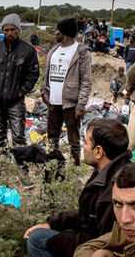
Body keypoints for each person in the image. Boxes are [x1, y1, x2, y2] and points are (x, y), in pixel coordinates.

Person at [25, 119, 132, 257]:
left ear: (98, 151)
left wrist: (61, 239)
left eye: (86, 142)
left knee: (36, 239)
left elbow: (101, 241)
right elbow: (87, 213)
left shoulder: (113, 192)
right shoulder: (109, 170)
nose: (83, 146)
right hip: (90, 238)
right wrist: (53, 224)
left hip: (96, 248)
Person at [0, 13, 40, 150]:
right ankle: (2, 169)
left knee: (18, 138)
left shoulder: (28, 50)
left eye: (12, 29)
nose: (9, 33)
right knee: (0, 138)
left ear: (18, 30)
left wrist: (21, 92)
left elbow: (33, 74)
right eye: (6, 30)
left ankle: (20, 169)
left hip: (16, 103)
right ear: (3, 31)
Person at [40, 18, 91, 165]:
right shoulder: (53, 51)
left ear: (64, 33)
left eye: (58, 31)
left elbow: (86, 81)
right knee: (52, 138)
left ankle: (74, 169)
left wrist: (81, 105)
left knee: (73, 140)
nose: (55, 33)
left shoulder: (81, 52)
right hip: (53, 103)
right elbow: (46, 75)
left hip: (71, 104)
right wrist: (44, 92)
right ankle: (54, 165)